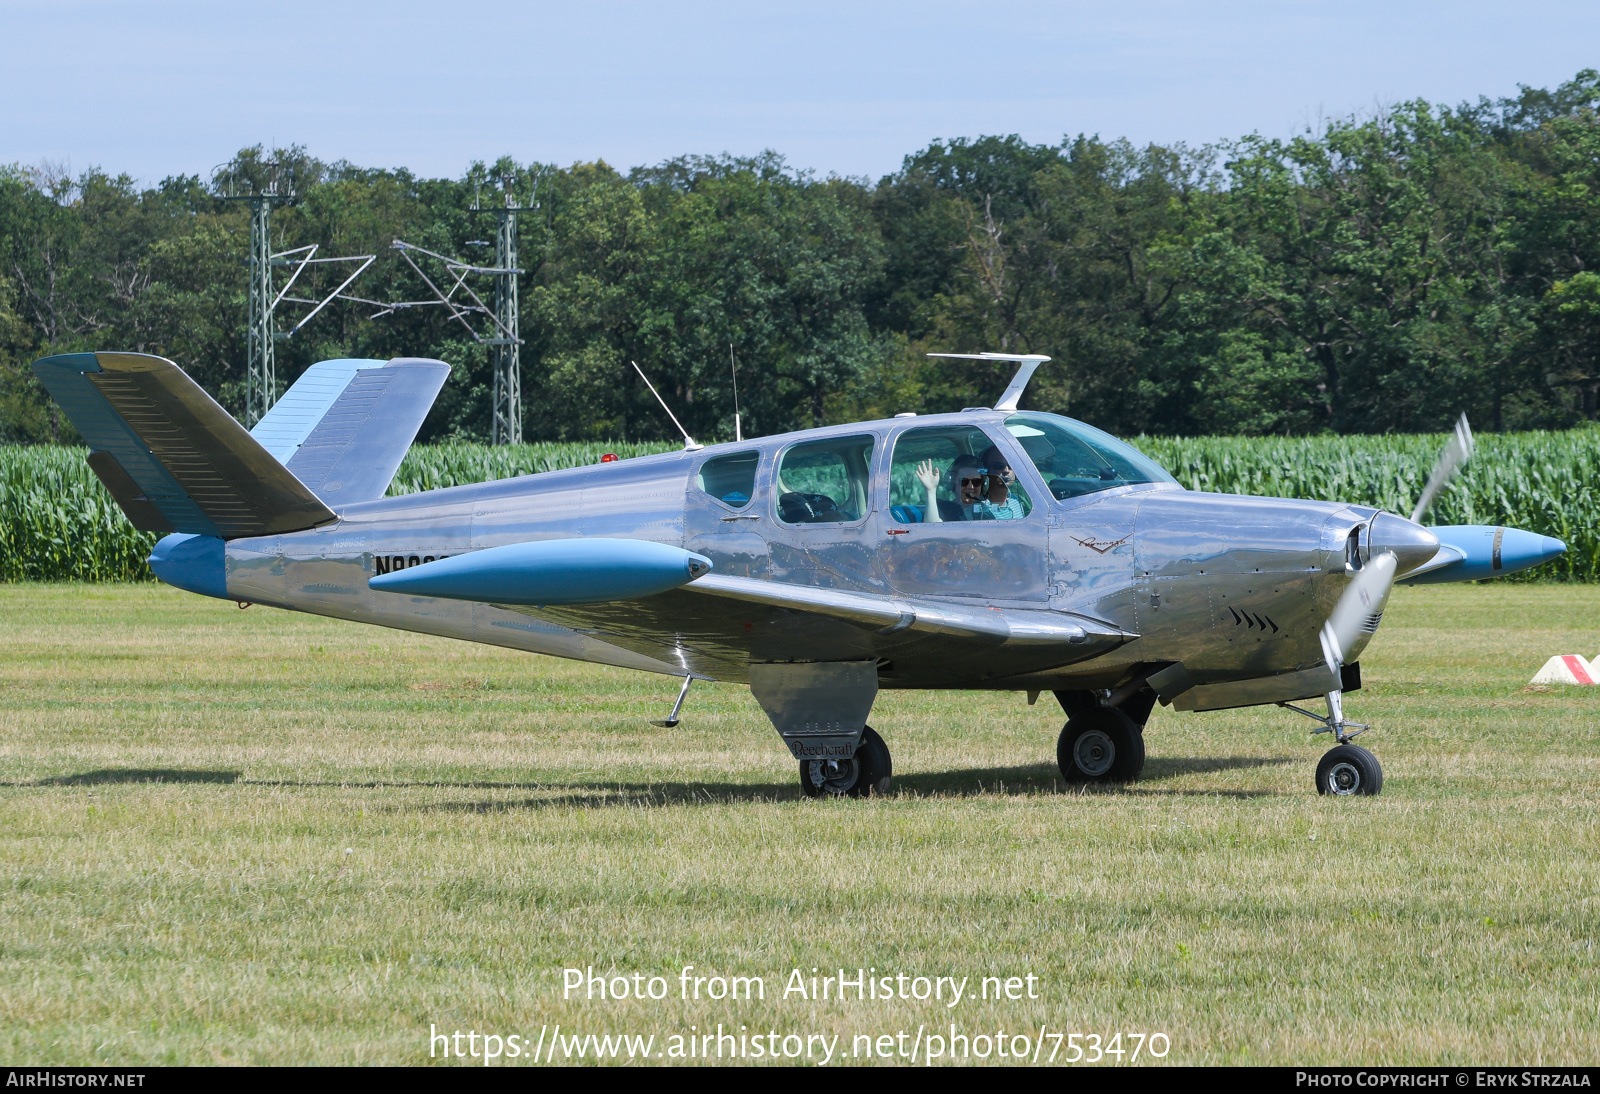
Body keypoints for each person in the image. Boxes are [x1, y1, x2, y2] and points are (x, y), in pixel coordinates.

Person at [913, 455, 989, 522]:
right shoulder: (943, 509)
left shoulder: (984, 511)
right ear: (953, 483)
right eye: (963, 481)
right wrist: (930, 490)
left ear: (983, 485)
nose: (970, 487)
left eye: (976, 482)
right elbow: (932, 528)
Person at [971, 445, 1025, 520]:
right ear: (985, 471)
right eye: (998, 466)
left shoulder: (1015, 500)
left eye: (1011, 466)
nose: (1006, 471)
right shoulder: (979, 505)